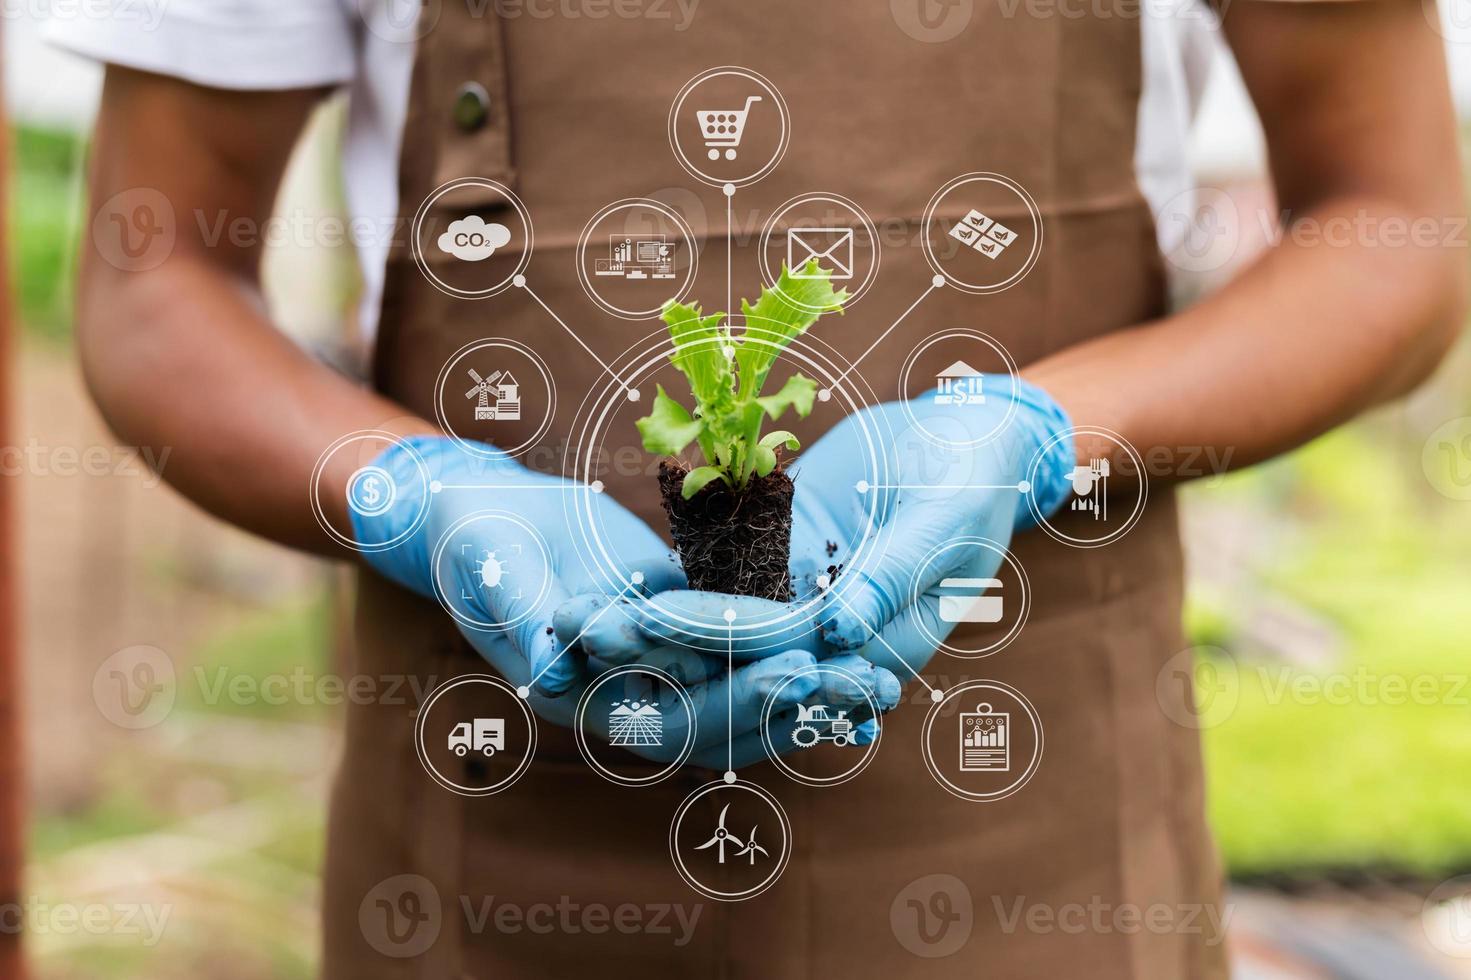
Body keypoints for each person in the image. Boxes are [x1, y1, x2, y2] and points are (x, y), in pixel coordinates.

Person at [50, 0, 1465, 976]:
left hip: (1041, 837)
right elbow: (151, 266)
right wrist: (414, 492)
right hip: (493, 852)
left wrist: (1044, 431)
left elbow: (1396, 226)